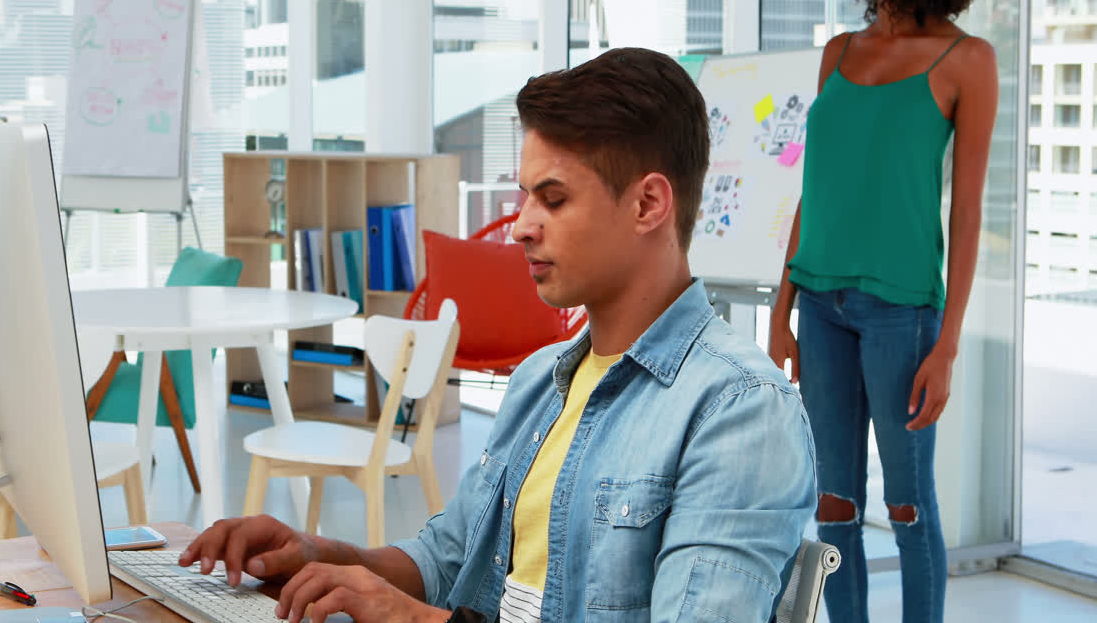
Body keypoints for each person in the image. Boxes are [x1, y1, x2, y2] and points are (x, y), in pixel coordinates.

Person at [181, 47, 816, 623]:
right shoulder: (541, 380)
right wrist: (321, 556)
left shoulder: (740, 411)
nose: (520, 226)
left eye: (553, 199)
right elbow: (447, 561)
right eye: (524, 196)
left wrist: (414, 620)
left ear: (648, 204)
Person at [767, 0, 998, 623]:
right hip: (820, 309)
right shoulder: (837, 52)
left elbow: (966, 214)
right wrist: (780, 309)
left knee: (908, 505)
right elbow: (813, 190)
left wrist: (947, 345)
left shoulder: (966, 59)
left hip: (904, 315)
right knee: (833, 505)